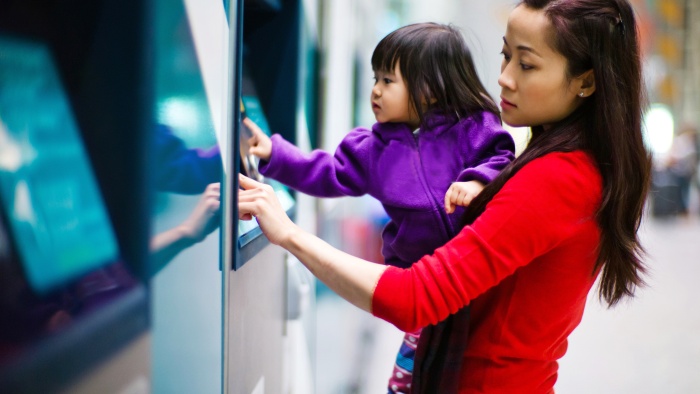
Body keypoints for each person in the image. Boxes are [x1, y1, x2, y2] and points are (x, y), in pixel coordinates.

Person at [239, 0, 652, 392]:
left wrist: (289, 234)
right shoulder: (565, 162)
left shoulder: (558, 178)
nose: (505, 77)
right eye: (506, 56)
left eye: (527, 64)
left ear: (586, 81)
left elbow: (413, 298)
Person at [244, 22, 516, 392]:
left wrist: (478, 180)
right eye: (376, 78)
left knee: (465, 369)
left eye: (388, 81)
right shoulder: (373, 150)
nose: (375, 90)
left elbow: (502, 157)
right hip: (419, 287)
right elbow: (327, 172)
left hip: (472, 281)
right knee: (410, 378)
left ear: (431, 89)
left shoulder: (472, 129)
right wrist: (276, 154)